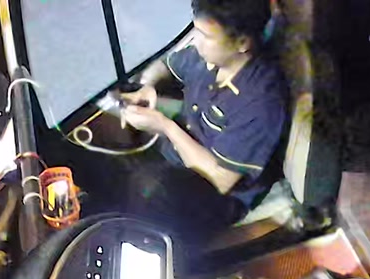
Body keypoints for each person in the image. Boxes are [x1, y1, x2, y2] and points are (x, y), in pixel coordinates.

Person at [114, 0, 287, 236]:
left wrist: (165, 126)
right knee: (109, 161)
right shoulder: (209, 56)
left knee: (148, 185)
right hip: (179, 155)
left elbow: (221, 179)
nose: (196, 41)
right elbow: (166, 65)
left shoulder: (261, 102)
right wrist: (147, 86)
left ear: (242, 43)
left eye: (206, 36)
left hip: (217, 194)